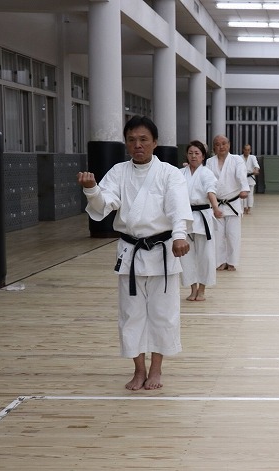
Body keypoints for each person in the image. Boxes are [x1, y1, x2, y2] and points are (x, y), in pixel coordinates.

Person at [77, 115, 192, 390]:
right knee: (131, 315)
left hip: (163, 252)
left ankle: (156, 370)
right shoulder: (118, 172)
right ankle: (138, 370)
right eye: (132, 140)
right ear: (126, 144)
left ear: (155, 142)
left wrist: (179, 236)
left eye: (143, 139)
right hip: (131, 252)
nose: (137, 145)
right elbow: (106, 203)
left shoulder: (169, 173)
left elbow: (178, 208)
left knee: (163, 314)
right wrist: (91, 189)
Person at [180, 140, 222, 301]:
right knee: (186, 256)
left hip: (203, 215)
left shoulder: (206, 173)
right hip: (186, 217)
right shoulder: (180, 173)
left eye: (197, 153)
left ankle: (202, 289)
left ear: (203, 156)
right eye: (190, 153)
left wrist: (216, 207)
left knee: (206, 255)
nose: (193, 156)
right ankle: (192, 288)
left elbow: (211, 190)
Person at [208, 134, 249, 271]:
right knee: (218, 235)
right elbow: (208, 182)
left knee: (233, 235)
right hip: (216, 203)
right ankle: (220, 261)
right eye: (218, 144)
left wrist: (244, 188)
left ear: (229, 145)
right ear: (214, 147)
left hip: (233, 203)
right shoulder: (209, 162)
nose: (221, 147)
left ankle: (232, 261)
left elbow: (241, 175)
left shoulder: (236, 160)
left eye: (224, 143)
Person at [241, 144, 260, 214]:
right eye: (245, 149)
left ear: (250, 150)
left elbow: (256, 165)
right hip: (243, 178)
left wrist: (256, 170)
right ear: (243, 150)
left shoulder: (252, 157)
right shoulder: (239, 157)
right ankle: (244, 207)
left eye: (248, 150)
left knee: (250, 194)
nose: (247, 151)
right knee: (243, 194)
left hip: (251, 177)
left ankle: (249, 208)